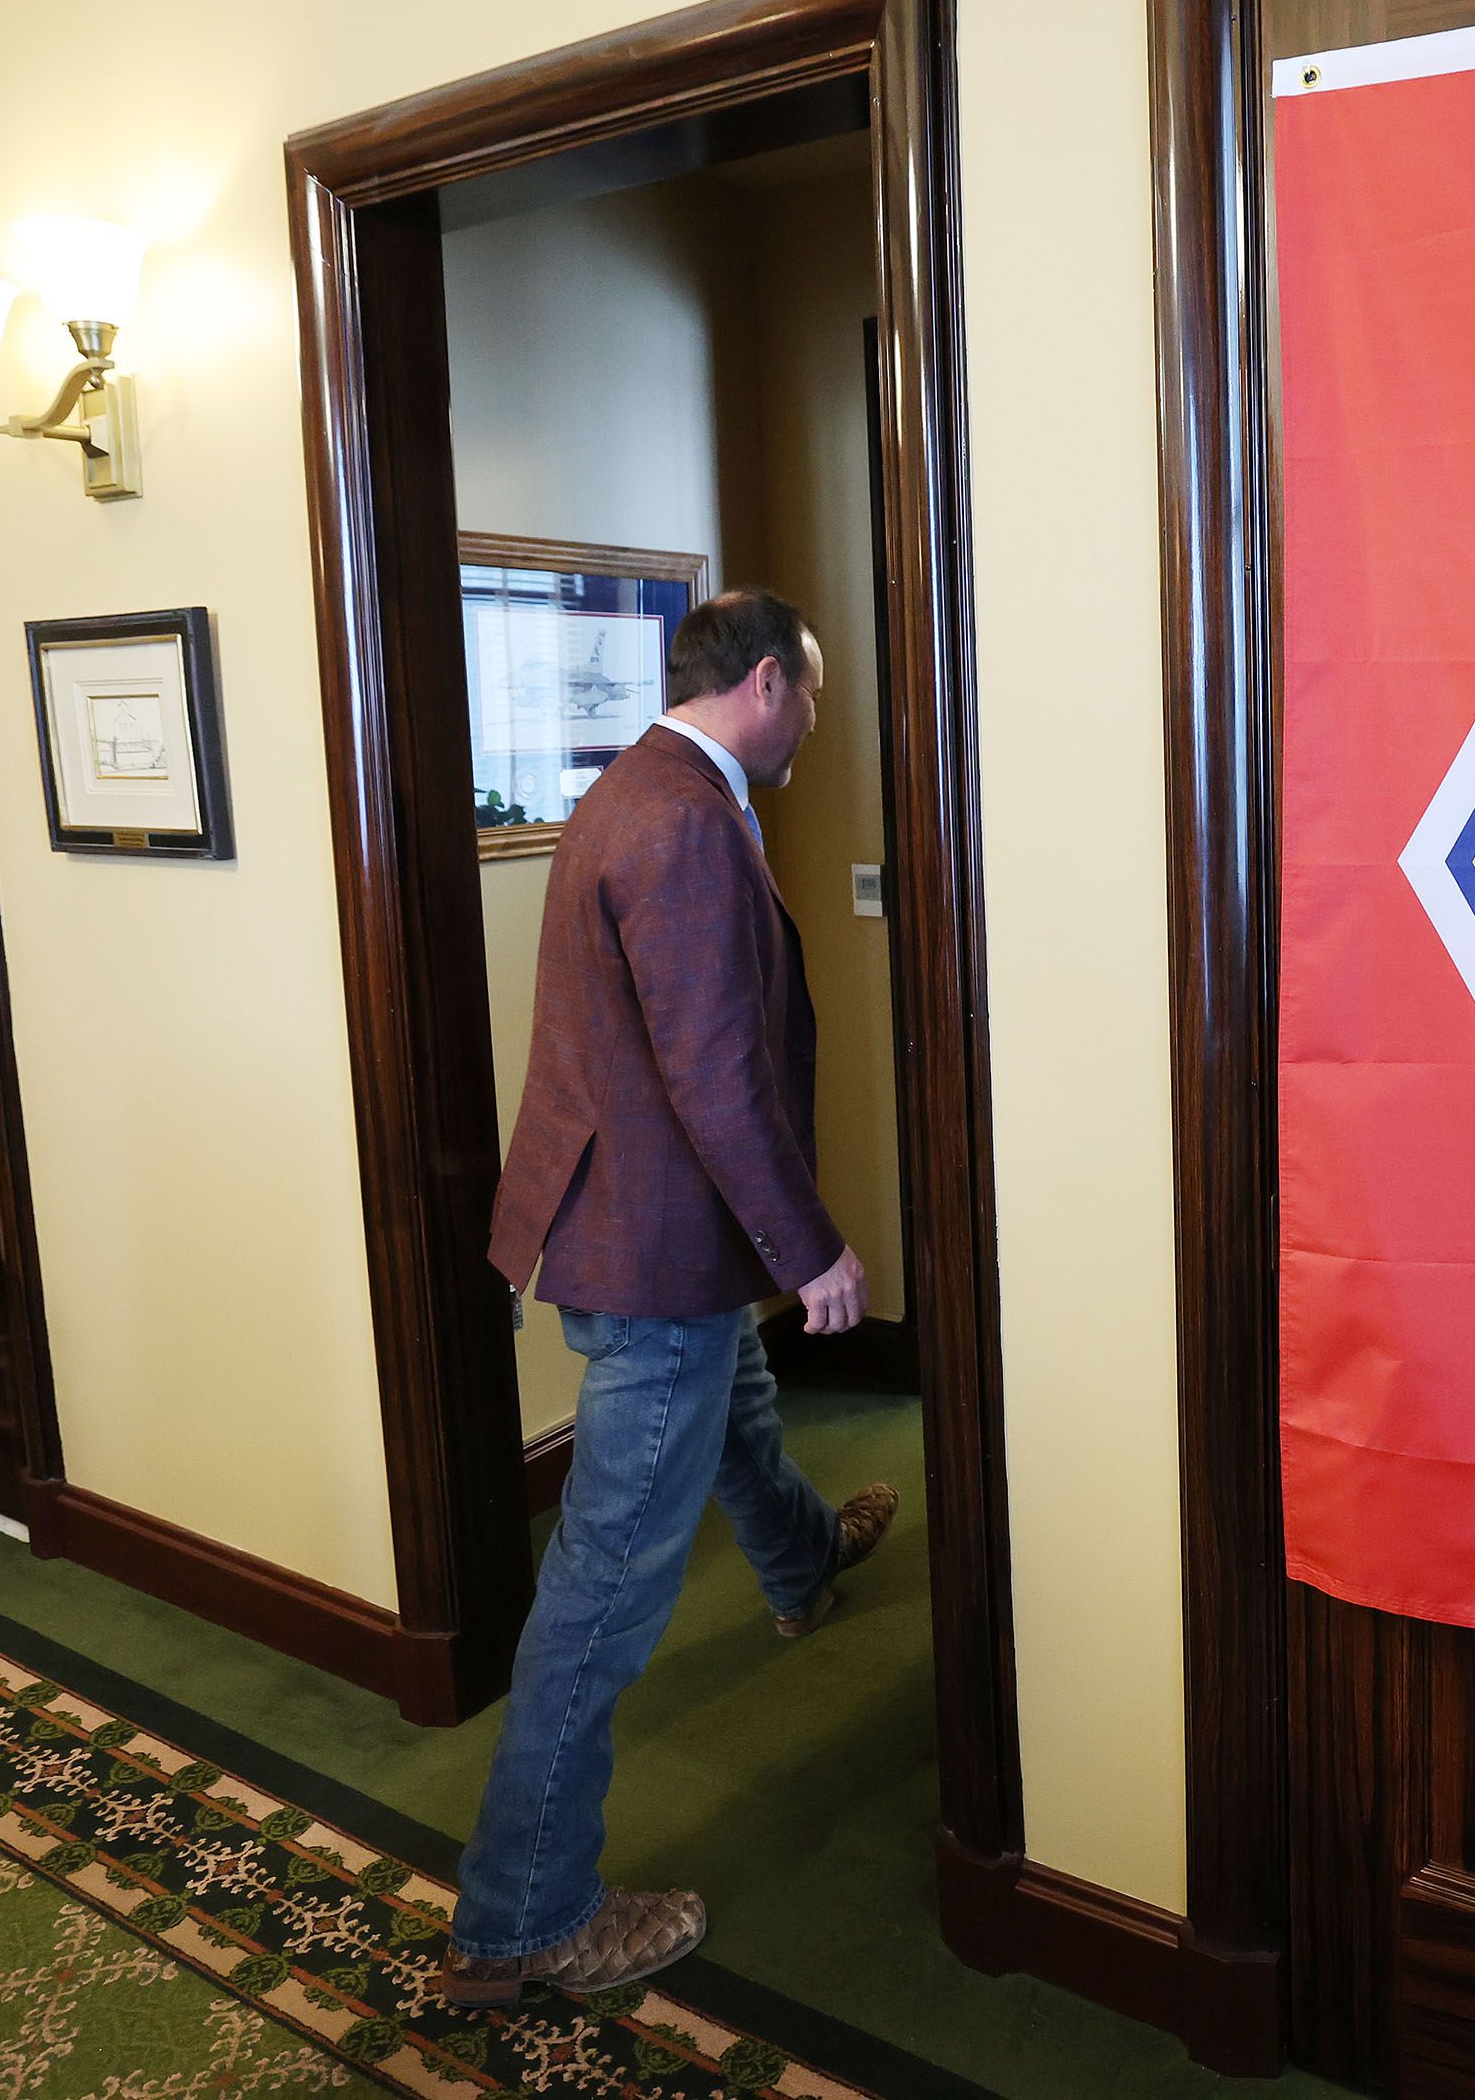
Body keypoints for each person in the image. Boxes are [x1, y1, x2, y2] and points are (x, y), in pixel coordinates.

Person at [444, 588, 897, 2009]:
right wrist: (811, 1246)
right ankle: (524, 1920)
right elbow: (716, 1068)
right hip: (651, 1247)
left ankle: (803, 1565)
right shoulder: (691, 824)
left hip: (628, 1223)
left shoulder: (632, 789)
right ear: (765, 683)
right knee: (604, 1592)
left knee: (740, 1405)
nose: (815, 724)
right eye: (813, 698)